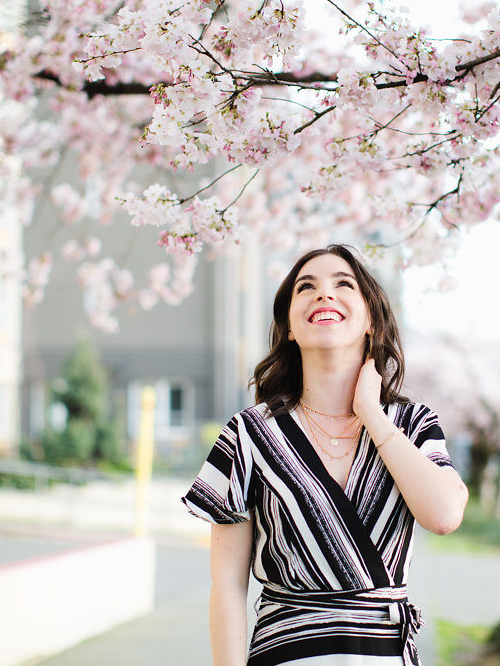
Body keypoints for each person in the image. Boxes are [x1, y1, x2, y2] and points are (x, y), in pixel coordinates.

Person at [182, 244, 469, 665]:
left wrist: (372, 413)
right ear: (291, 327)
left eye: (343, 284)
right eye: (307, 287)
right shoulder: (249, 432)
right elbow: (226, 584)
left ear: (370, 318)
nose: (324, 294)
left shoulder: (412, 425)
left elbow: (444, 515)